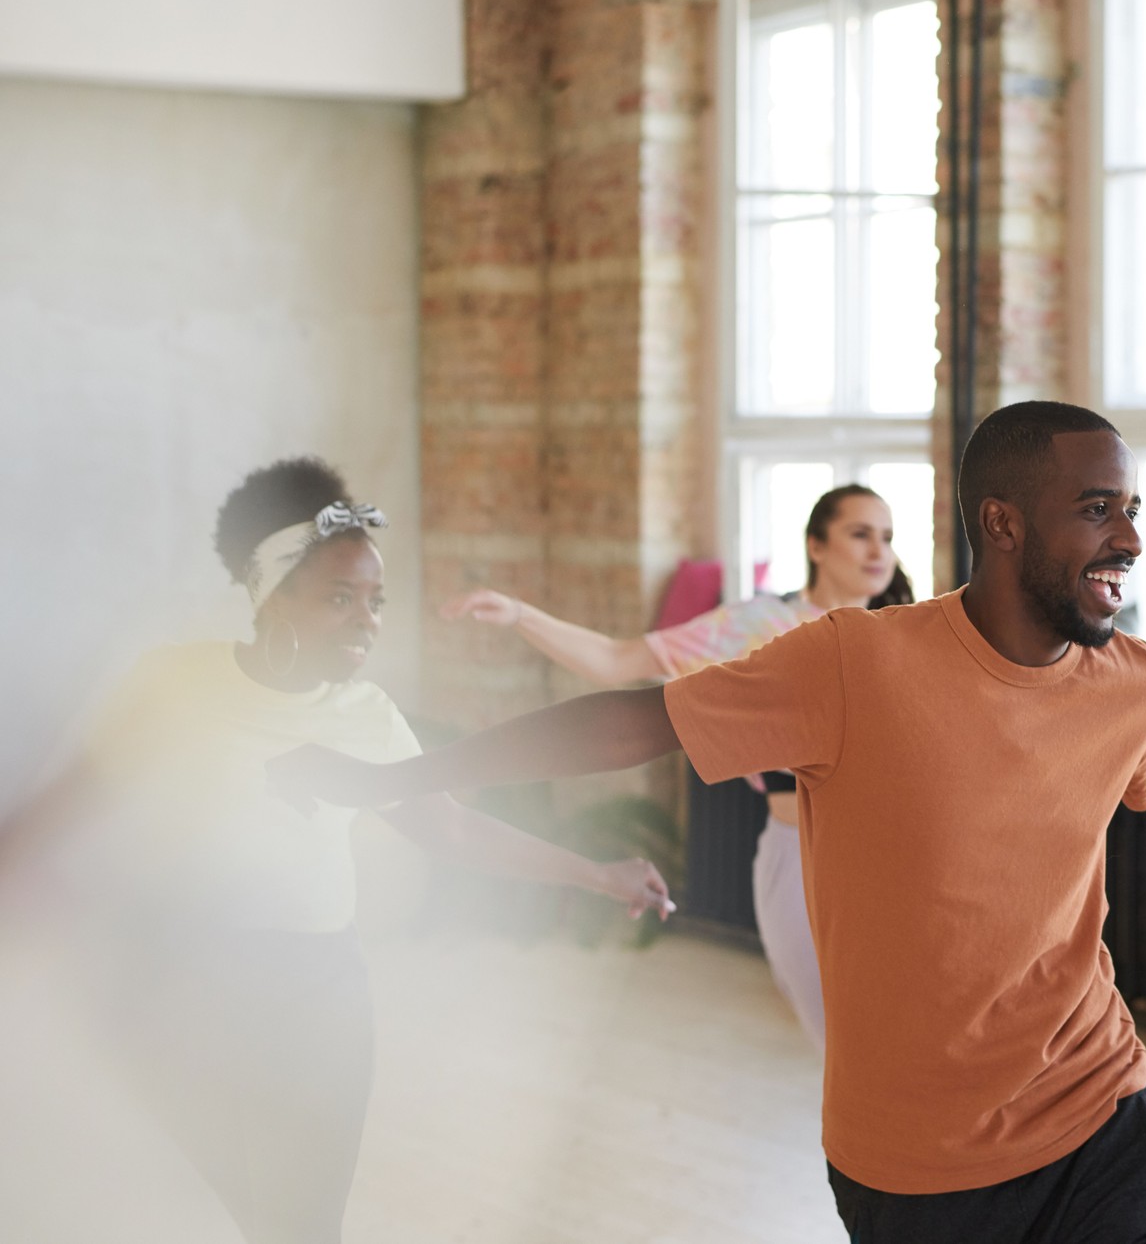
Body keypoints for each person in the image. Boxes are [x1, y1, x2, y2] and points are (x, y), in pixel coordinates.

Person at [270, 401, 1146, 1243]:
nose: (1133, 538)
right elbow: (635, 718)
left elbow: (1108, 793)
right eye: (1100, 508)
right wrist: (397, 778)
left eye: (1134, 508)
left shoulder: (1136, 683)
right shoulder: (855, 662)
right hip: (917, 1164)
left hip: (1101, 1111)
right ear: (1003, 522)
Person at [3, 458, 672, 1244]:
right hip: (183, 990)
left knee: (303, 1227)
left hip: (320, 1000)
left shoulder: (366, 715)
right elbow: (66, 808)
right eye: (339, 597)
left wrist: (595, 871)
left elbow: (450, 830)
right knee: (234, 1209)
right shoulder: (174, 683)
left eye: (376, 601)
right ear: (271, 595)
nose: (367, 620)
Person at [439, 484, 914, 1050]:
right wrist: (519, 614)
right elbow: (617, 659)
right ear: (815, 545)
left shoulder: (906, 635)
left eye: (885, 537)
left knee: (902, 1051)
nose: (877, 551)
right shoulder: (763, 624)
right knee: (844, 1051)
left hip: (891, 866)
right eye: (859, 534)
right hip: (800, 861)